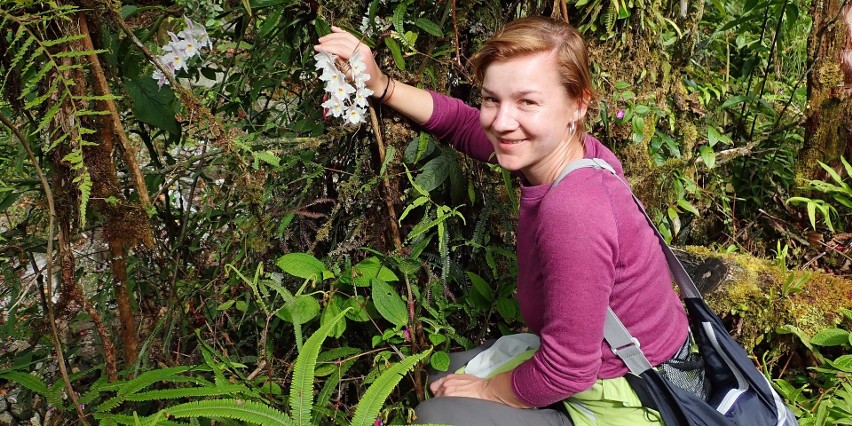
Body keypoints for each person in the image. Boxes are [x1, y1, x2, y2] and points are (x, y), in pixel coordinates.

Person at [315, 16, 703, 426]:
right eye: (491, 99)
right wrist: (381, 84)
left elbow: (568, 369)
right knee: (444, 372)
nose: (501, 121)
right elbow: (464, 124)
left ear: (578, 103)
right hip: (621, 366)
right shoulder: (575, 152)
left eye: (527, 102)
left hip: (634, 397)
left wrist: (485, 390)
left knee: (437, 414)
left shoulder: (574, 209)